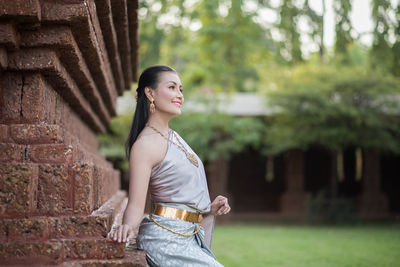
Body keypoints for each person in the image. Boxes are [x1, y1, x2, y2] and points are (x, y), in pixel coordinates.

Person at [107, 65, 231, 266]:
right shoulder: (145, 145)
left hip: (188, 235)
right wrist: (127, 227)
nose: (179, 95)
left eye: (181, 89)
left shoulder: (175, 137)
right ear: (150, 93)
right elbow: (137, 205)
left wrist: (209, 209)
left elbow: (178, 196)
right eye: (172, 87)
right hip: (165, 238)